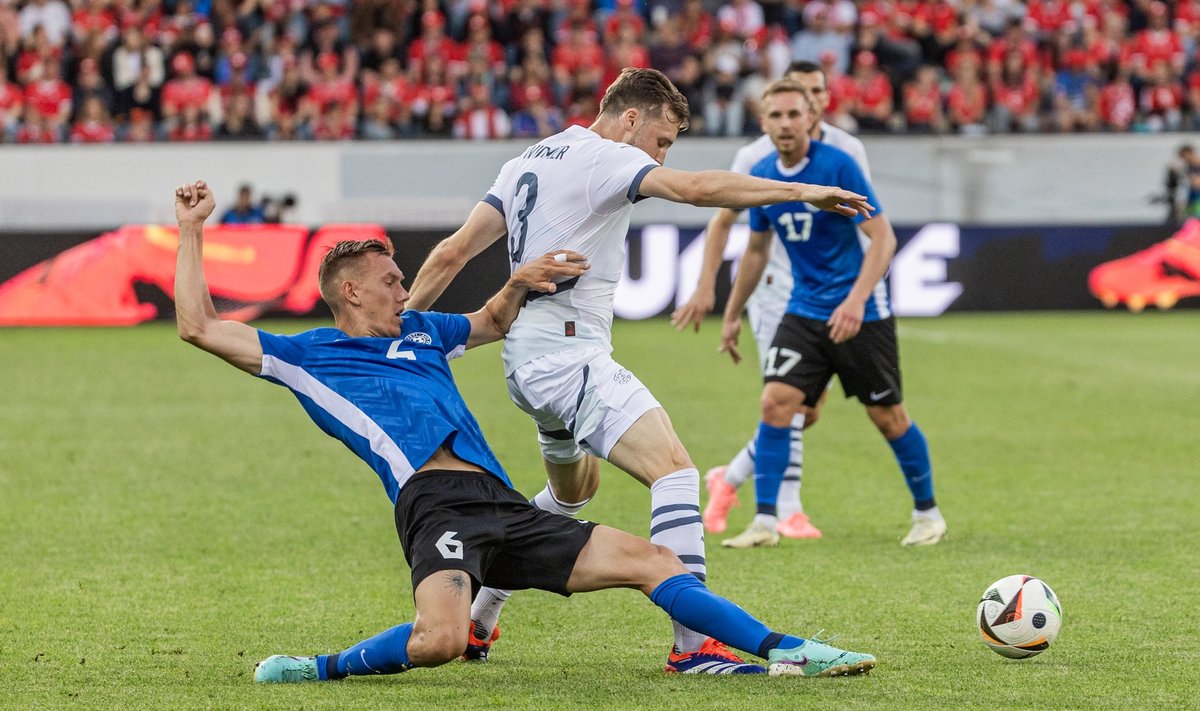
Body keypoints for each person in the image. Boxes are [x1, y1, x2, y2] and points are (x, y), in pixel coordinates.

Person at [171, 180, 877, 683]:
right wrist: (194, 230)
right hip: (436, 508)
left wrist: (521, 280)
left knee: (655, 561)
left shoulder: (422, 331)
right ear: (351, 291)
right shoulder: (308, 355)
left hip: (503, 505)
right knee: (441, 641)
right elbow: (198, 326)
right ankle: (317, 668)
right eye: (390, 279)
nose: (404, 287)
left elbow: (491, 322)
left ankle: (787, 649)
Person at [405, 67, 873, 673]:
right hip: (565, 354)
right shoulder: (607, 156)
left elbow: (452, 252)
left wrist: (401, 331)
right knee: (675, 472)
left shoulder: (530, 157)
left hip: (526, 361)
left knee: (574, 492)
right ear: (632, 119)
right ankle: (694, 646)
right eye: (663, 140)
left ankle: (480, 619)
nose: (661, 155)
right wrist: (800, 190)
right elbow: (698, 189)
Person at [717, 80, 946, 550]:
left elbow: (882, 237)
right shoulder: (763, 174)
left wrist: (857, 300)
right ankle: (765, 522)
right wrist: (732, 312)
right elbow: (757, 250)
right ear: (763, 122)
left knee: (888, 417)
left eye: (793, 114)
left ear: (810, 119)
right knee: (775, 403)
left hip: (861, 311)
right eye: (775, 115)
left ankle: (928, 514)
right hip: (803, 309)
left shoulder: (837, 164)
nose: (785, 123)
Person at [672, 60, 872, 542]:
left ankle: (730, 477)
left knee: (811, 408)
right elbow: (724, 221)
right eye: (799, 94)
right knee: (786, 399)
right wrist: (710, 289)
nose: (809, 102)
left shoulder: (847, 148)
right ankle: (788, 509)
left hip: (828, 290)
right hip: (774, 291)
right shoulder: (755, 155)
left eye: (818, 92)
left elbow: (865, 217)